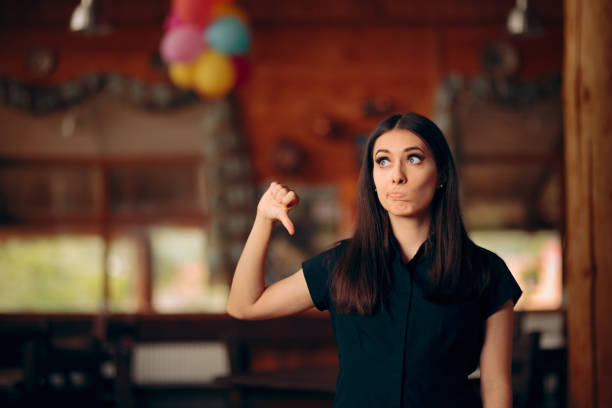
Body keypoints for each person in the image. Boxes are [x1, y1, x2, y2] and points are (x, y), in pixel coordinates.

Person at [227, 112, 523, 408]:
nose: (397, 175)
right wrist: (263, 220)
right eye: (383, 161)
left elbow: (496, 385)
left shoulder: (486, 271)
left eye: (414, 158)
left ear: (442, 174)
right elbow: (244, 305)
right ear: (371, 177)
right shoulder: (340, 263)